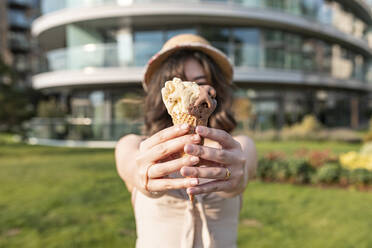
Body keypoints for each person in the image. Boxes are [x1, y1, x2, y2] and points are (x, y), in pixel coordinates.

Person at [115, 34, 257, 248]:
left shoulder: (238, 147)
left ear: (214, 90)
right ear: (163, 94)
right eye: (179, 83)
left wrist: (234, 177)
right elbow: (132, 166)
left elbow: (239, 177)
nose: (192, 93)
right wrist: (143, 175)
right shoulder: (135, 145)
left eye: (200, 83)